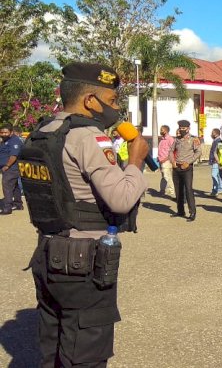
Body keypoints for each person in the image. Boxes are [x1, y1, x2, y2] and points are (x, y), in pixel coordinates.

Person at [23, 62, 148, 367]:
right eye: (113, 100)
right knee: (85, 355)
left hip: (47, 252)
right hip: (82, 261)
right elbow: (120, 199)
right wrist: (135, 161)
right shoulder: (88, 136)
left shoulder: (42, 131)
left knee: (52, 349)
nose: (115, 109)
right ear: (90, 100)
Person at [169, 120, 202, 221]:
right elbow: (171, 151)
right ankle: (180, 210)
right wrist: (172, 161)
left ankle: (192, 212)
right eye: (180, 128)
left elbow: (198, 152)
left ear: (188, 128)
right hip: (177, 167)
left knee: (188, 190)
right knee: (178, 190)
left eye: (184, 128)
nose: (182, 130)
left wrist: (189, 162)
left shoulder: (193, 139)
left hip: (187, 168)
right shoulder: (177, 139)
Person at [0, 123, 24, 214]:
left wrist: (7, 166)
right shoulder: (5, 140)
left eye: (5, 132)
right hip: (7, 168)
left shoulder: (14, 141)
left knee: (7, 185)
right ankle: (18, 204)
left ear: (11, 132)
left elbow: (13, 156)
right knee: (14, 186)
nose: (3, 134)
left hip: (11, 168)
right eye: (1, 132)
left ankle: (7, 207)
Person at [157, 125, 176, 197]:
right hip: (161, 161)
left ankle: (172, 191)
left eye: (162, 130)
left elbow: (172, 151)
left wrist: (166, 159)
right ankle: (162, 190)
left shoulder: (170, 139)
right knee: (163, 176)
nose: (161, 131)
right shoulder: (162, 140)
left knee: (167, 176)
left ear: (166, 130)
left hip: (167, 161)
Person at [208, 128, 222, 197]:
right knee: (218, 175)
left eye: (212, 133)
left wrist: (215, 160)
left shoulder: (218, 141)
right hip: (217, 161)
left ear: (216, 134)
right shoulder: (216, 140)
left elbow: (218, 151)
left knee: (214, 175)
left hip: (216, 161)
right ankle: (221, 189)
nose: (211, 134)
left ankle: (215, 190)